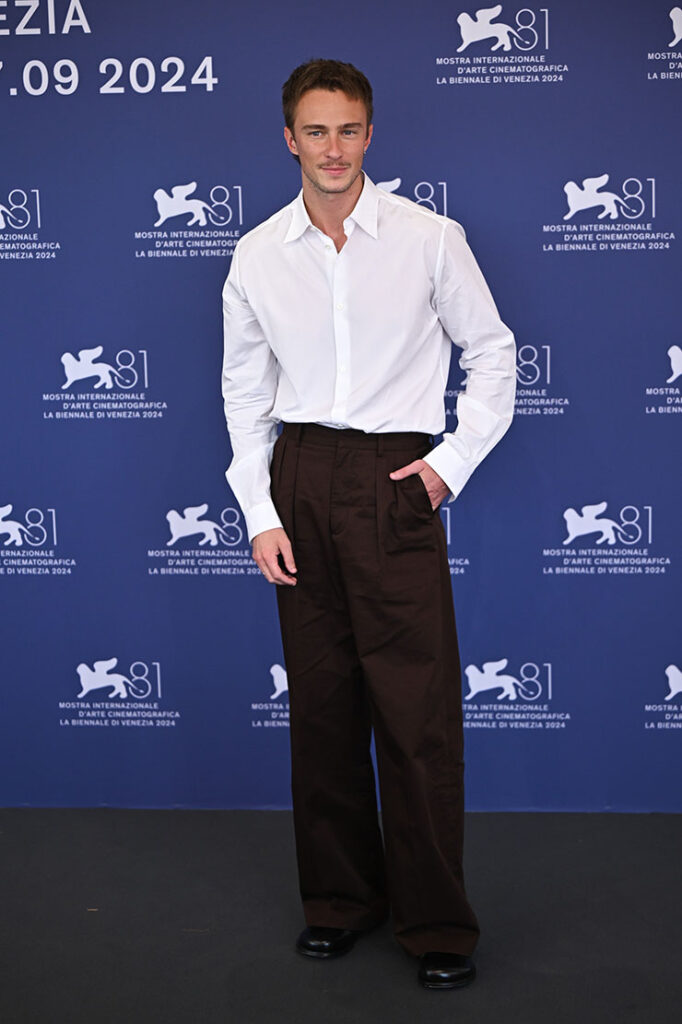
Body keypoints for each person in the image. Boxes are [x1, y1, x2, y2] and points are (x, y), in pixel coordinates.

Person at [221, 58, 516, 990]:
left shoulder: (429, 239)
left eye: (348, 130)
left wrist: (446, 467)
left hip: (395, 477)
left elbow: (495, 352)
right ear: (289, 139)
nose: (333, 148)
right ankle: (341, 903)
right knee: (323, 708)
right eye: (316, 131)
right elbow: (243, 394)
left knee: (417, 712)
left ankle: (435, 924)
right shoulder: (259, 252)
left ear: (370, 135)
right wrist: (261, 509)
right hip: (299, 474)